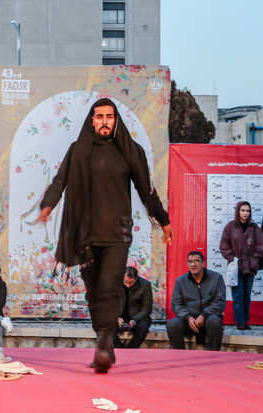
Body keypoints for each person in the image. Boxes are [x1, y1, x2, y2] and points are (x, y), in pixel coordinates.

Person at [37, 98, 172, 373]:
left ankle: (103, 343)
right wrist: (47, 205)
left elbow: (146, 190)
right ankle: (106, 343)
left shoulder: (130, 151)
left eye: (109, 117)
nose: (104, 121)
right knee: (94, 293)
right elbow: (60, 181)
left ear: (116, 120)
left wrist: (164, 220)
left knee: (109, 289)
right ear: (92, 120)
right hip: (85, 235)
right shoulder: (78, 149)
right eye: (99, 117)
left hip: (117, 234)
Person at [167, 251, 225, 351]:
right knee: (172, 324)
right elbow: (176, 304)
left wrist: (204, 315)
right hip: (188, 321)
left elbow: (219, 302)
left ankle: (214, 355)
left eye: (197, 261)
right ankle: (180, 355)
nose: (193, 264)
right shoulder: (180, 281)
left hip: (209, 319)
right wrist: (188, 317)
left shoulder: (216, 278)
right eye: (190, 262)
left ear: (203, 263)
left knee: (215, 321)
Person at [219, 201, 263, 330]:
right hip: (235, 268)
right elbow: (224, 246)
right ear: (238, 211)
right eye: (243, 210)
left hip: (250, 267)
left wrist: (254, 257)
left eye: (247, 211)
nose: (245, 213)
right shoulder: (230, 227)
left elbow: (261, 245)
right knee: (237, 295)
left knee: (246, 295)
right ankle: (240, 322)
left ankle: (246, 321)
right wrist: (232, 258)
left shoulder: (254, 227)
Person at [113, 266, 152, 349]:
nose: (128, 285)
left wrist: (134, 319)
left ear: (136, 278)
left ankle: (131, 349)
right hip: (118, 316)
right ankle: (120, 349)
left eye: (131, 283)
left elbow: (147, 308)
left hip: (137, 317)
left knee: (144, 326)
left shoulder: (146, 285)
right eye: (125, 282)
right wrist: (116, 317)